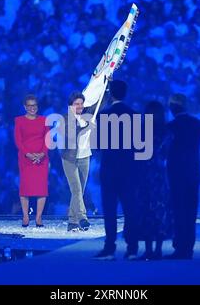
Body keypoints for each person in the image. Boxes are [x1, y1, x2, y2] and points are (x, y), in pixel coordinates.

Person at [93, 80, 139, 260]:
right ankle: (132, 248)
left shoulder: (103, 115)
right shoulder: (135, 116)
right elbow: (139, 147)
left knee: (110, 209)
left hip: (110, 169)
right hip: (129, 169)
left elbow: (97, 145)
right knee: (130, 208)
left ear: (110, 93)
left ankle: (109, 247)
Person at [58, 91, 107, 232]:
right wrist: (87, 127)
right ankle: (82, 217)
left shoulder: (87, 115)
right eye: (76, 104)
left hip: (85, 157)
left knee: (79, 191)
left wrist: (107, 86)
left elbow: (100, 103)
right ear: (70, 105)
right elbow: (71, 134)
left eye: (81, 103)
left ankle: (72, 222)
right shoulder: (65, 118)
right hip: (70, 159)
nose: (79, 106)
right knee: (77, 189)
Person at [165, 93, 200, 259]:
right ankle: (189, 247)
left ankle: (180, 246)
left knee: (179, 210)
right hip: (193, 172)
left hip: (176, 173)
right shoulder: (198, 124)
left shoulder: (171, 126)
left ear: (172, 108)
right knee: (191, 211)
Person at [136, 101, 172, 260]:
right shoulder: (166, 131)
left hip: (149, 175)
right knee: (156, 211)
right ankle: (155, 249)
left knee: (149, 211)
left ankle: (151, 249)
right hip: (155, 175)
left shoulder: (143, 131)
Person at [14, 94, 50, 228]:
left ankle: (39, 217)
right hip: (26, 158)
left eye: (34, 105)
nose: (32, 108)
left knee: (41, 188)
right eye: (29, 106)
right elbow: (18, 140)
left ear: (37, 106)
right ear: (25, 107)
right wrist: (28, 154)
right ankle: (25, 216)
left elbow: (48, 139)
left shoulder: (44, 120)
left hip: (41, 158)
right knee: (25, 188)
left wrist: (41, 154)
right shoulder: (19, 121)